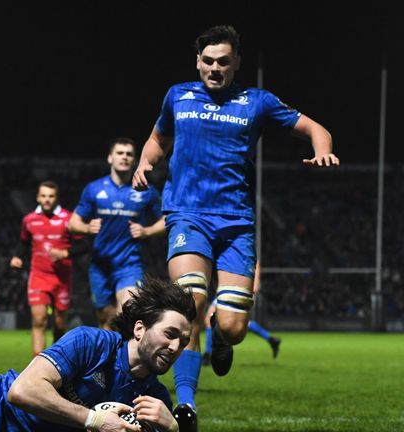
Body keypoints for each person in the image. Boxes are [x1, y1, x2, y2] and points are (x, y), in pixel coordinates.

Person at [132, 25, 339, 429]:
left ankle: (222, 335)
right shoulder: (177, 96)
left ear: (236, 63)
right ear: (197, 62)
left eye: (223, 61)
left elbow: (316, 129)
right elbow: (158, 139)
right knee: (188, 302)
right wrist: (145, 162)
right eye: (208, 61)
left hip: (236, 223)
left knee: (234, 326)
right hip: (187, 214)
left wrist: (323, 151)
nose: (215, 68)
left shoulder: (257, 101)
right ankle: (186, 405)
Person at [0, 277, 196, 432]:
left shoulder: (154, 401)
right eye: (169, 334)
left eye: (183, 342)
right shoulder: (92, 342)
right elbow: (22, 391)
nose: (175, 347)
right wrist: (95, 420)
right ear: (139, 329)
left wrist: (173, 429)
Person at [68, 137, 165, 330]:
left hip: (130, 265)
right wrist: (87, 228)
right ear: (110, 158)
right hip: (100, 266)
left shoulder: (147, 191)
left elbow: (167, 220)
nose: (124, 157)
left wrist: (147, 231)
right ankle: (109, 349)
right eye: (120, 153)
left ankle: (125, 350)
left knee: (128, 310)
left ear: (134, 159)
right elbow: (72, 224)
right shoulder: (94, 189)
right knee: (106, 318)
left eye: (129, 154)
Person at [10, 180, 88, 357]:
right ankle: (37, 363)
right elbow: (23, 243)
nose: (47, 199)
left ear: (56, 198)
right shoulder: (29, 220)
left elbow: (84, 245)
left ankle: (56, 360)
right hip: (38, 276)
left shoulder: (69, 219)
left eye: (51, 196)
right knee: (39, 319)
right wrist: (17, 257)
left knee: (60, 323)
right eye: (43, 196)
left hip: (62, 279)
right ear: (38, 197)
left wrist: (65, 253)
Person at [202, 262, 280, 364]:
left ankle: (208, 354)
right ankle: (271, 339)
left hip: (236, 288)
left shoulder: (248, 257)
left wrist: (253, 285)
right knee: (239, 323)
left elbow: (255, 277)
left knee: (217, 320)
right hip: (229, 287)